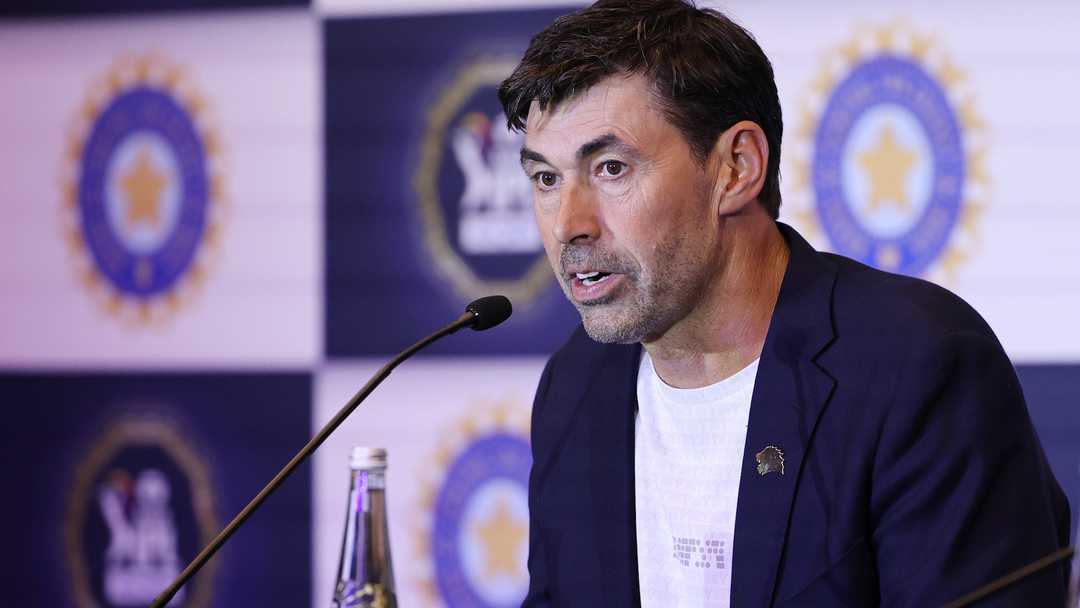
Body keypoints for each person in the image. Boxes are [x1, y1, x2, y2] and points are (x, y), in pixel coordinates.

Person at [496, 1, 1071, 606]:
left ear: (736, 168)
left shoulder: (917, 368)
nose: (568, 225)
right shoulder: (576, 385)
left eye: (611, 169)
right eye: (546, 179)